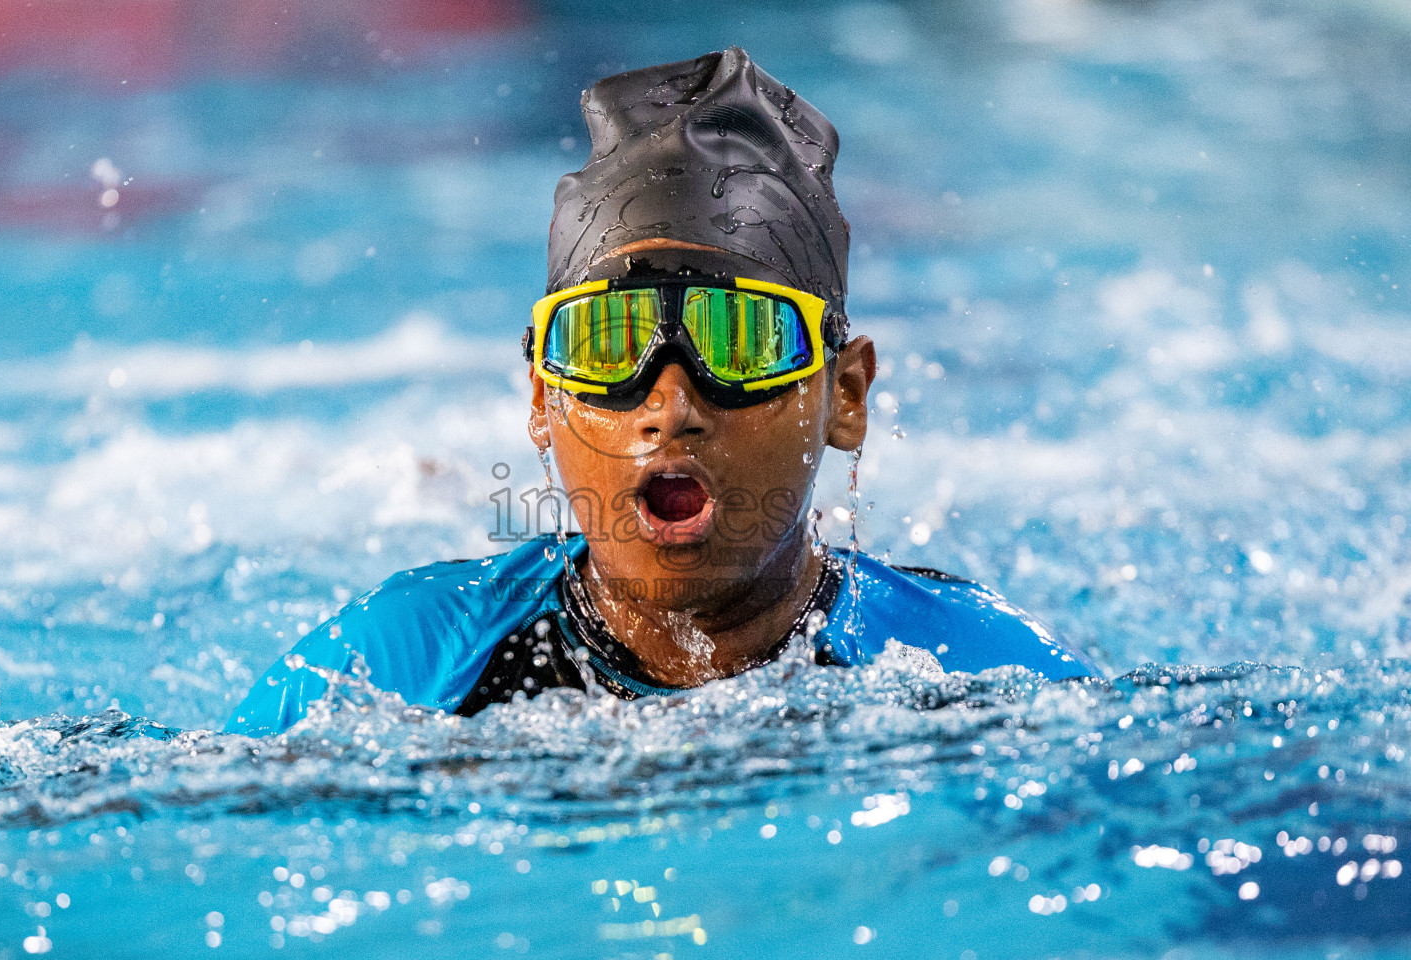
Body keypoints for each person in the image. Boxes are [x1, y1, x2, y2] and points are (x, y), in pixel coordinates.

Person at [225, 47, 1094, 736]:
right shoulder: (398, 665)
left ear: (846, 394)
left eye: (741, 340)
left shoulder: (975, 672)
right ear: (540, 396)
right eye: (607, 345)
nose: (671, 404)